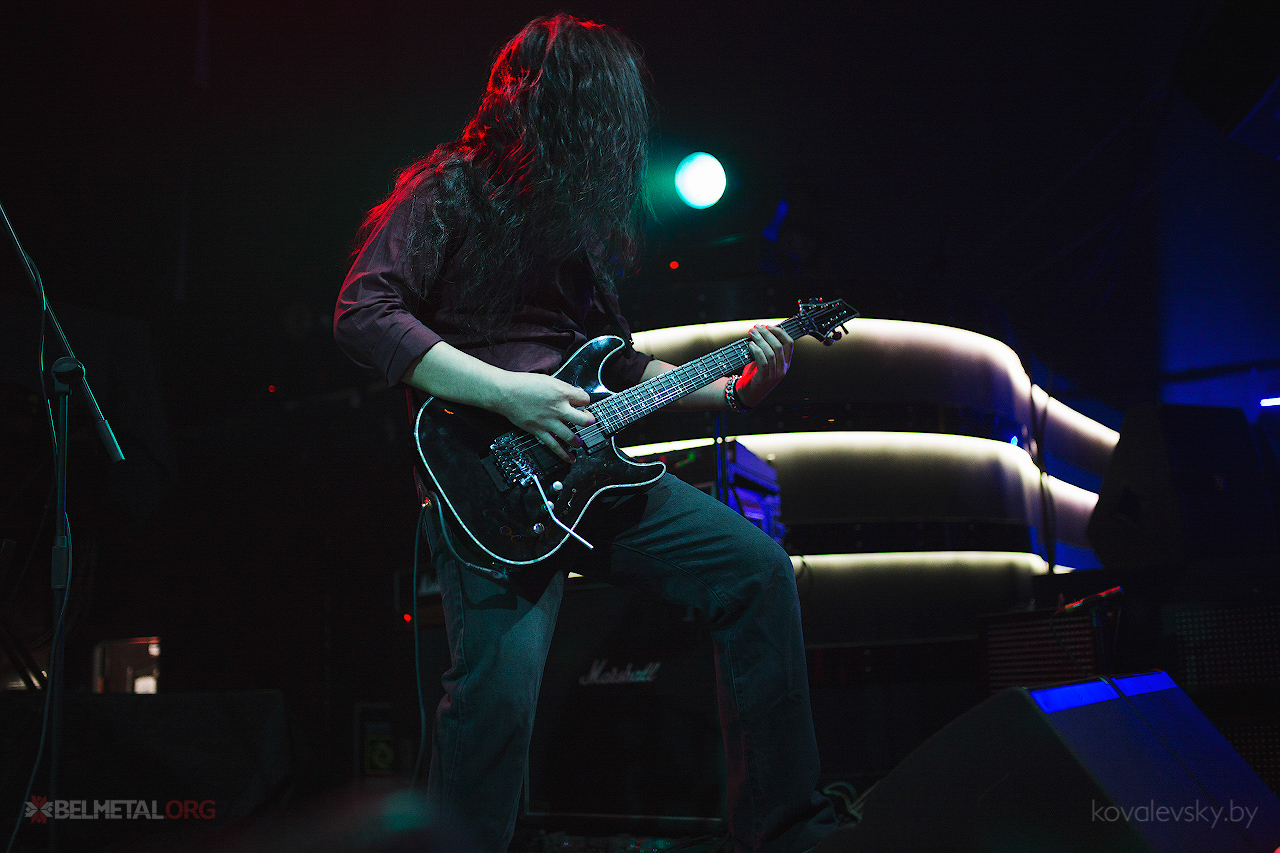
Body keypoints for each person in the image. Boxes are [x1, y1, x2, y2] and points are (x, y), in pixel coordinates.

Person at [334, 14, 837, 853]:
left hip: (593, 473)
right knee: (496, 699)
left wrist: (737, 389)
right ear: (552, 102)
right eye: (605, 107)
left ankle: (786, 827)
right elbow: (363, 312)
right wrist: (512, 395)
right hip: (489, 481)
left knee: (756, 572)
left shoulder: (579, 224)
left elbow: (614, 364)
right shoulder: (449, 188)